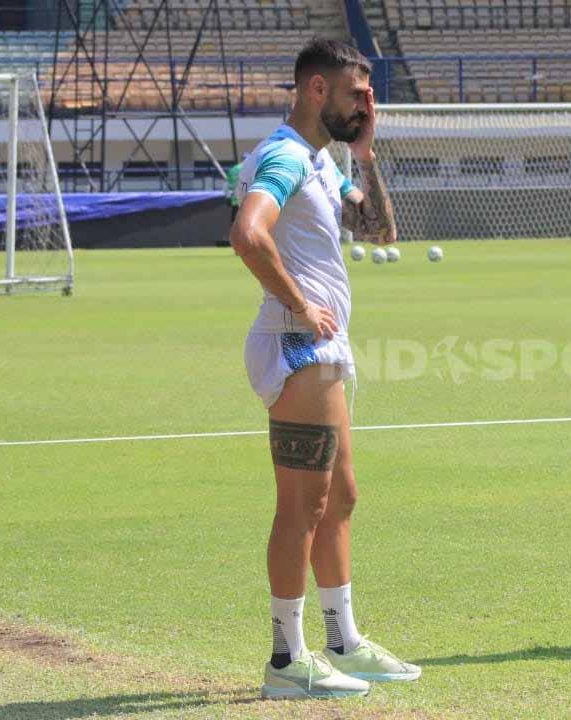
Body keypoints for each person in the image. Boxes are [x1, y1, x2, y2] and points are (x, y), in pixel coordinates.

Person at [229, 38, 417, 700]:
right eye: (355, 95)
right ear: (315, 90)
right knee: (303, 506)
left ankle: (344, 643)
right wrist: (301, 304)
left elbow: (378, 232)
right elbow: (247, 234)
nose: (367, 104)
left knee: (340, 499)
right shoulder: (283, 155)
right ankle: (286, 658)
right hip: (296, 346)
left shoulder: (319, 159)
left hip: (324, 351)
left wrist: (365, 154)